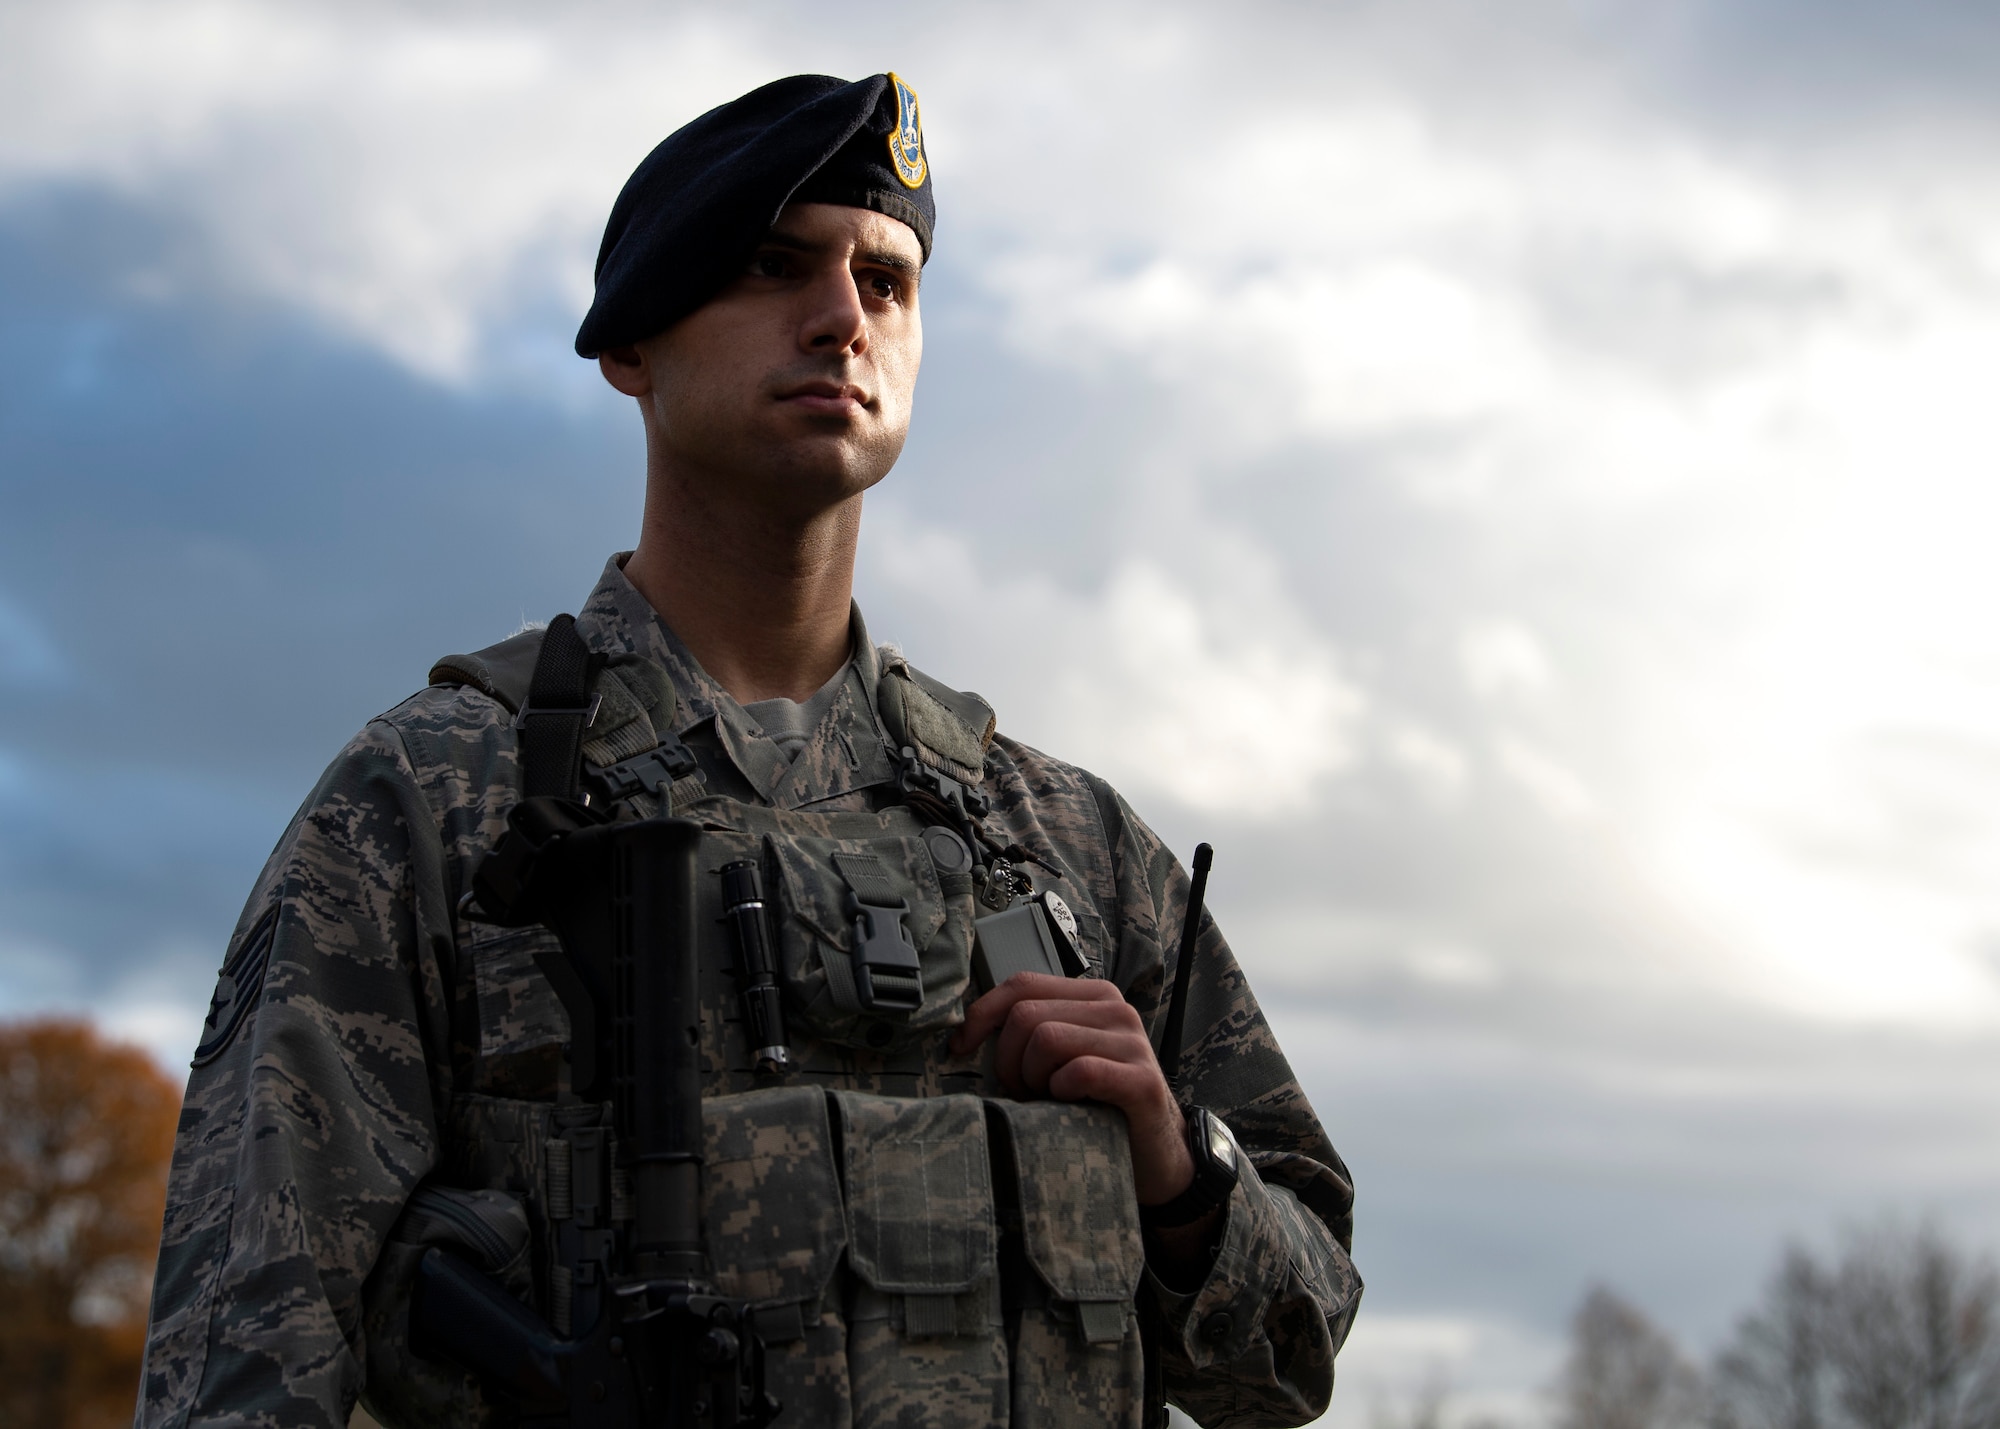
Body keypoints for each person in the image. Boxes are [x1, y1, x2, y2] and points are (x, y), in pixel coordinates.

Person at [138, 72, 1360, 1429]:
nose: (843, 318)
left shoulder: (1064, 848)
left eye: (887, 284)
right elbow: (242, 1362)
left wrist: (1181, 1177)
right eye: (779, 267)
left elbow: (1290, 1363)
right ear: (633, 345)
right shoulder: (439, 806)